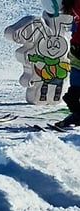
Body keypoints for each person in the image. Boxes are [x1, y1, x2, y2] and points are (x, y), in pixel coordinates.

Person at [56, 0, 80, 128]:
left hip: (77, 48)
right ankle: (77, 115)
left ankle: (77, 115)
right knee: (73, 93)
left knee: (74, 93)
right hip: (77, 50)